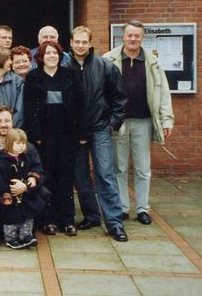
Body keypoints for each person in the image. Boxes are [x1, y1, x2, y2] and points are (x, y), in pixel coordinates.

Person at [105, 20, 174, 226]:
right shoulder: (109, 60)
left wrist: (166, 119)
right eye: (130, 35)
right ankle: (123, 208)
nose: (133, 39)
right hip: (119, 123)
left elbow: (163, 92)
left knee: (143, 169)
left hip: (143, 121)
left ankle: (142, 208)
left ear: (142, 38)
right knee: (119, 168)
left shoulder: (153, 62)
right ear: (123, 37)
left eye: (137, 36)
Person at [68, 26, 129, 242]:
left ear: (91, 43)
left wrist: (112, 123)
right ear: (71, 42)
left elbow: (120, 98)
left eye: (85, 42)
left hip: (99, 128)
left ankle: (114, 223)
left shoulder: (105, 66)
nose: (81, 45)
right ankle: (92, 216)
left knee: (105, 174)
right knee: (81, 176)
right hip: (75, 132)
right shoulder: (65, 66)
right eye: (77, 41)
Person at [24, 40, 82, 237]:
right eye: (47, 53)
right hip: (44, 138)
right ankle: (48, 220)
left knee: (66, 177)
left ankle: (67, 220)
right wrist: (35, 135)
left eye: (55, 53)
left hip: (67, 136)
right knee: (46, 177)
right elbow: (29, 107)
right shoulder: (33, 77)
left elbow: (79, 104)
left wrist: (81, 133)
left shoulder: (70, 75)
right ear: (41, 57)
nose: (51, 56)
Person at [0, 128, 45, 249]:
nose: (21, 146)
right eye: (17, 143)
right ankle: (11, 238)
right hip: (10, 193)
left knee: (28, 215)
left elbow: (34, 168)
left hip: (24, 193)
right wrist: (5, 194)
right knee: (11, 218)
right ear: (9, 143)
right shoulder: (2, 159)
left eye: (23, 143)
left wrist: (32, 178)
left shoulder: (26, 157)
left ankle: (26, 235)